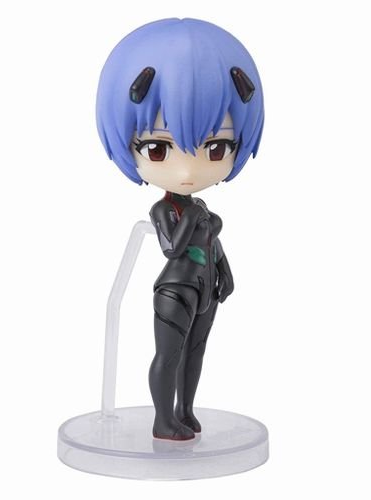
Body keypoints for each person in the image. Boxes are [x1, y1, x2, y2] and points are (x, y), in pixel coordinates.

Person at [96, 18, 264, 440]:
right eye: (158, 148)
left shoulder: (201, 207)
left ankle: (184, 410)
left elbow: (212, 244)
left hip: (206, 288)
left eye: (216, 147)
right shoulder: (164, 208)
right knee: (169, 355)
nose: (188, 171)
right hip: (175, 289)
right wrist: (193, 220)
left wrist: (225, 270)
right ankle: (162, 419)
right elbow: (172, 247)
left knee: (196, 352)